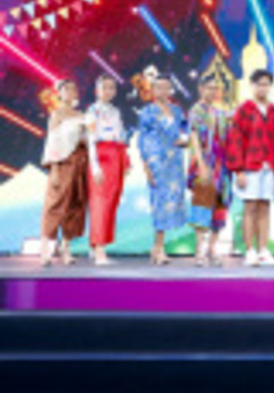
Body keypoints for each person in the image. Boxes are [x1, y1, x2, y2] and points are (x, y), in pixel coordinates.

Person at [226, 69, 274, 267]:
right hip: (250, 166)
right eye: (259, 84)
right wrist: (238, 170)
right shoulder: (244, 110)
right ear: (252, 85)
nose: (263, 88)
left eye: (266, 84)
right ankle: (249, 251)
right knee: (250, 207)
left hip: (270, 167)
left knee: (265, 207)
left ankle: (263, 250)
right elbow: (235, 140)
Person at [138, 75, 188, 265]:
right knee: (159, 202)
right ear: (153, 90)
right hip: (156, 160)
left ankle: (160, 247)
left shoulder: (176, 111)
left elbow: (184, 132)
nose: (163, 91)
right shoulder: (147, 112)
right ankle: (157, 247)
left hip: (174, 161)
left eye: (167, 87)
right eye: (159, 87)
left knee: (170, 202)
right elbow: (142, 139)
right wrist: (146, 166)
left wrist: (187, 141)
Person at [40, 79, 89, 267]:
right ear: (59, 94)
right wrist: (53, 168)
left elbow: (88, 140)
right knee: (55, 204)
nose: (70, 91)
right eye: (66, 89)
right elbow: (52, 143)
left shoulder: (82, 115)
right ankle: (46, 250)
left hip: (80, 164)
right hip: (61, 164)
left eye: (73, 88)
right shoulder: (56, 115)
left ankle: (66, 248)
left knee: (75, 205)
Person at [187, 75, 233, 267]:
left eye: (216, 88)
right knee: (202, 204)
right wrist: (201, 164)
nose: (213, 92)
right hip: (204, 164)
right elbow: (194, 138)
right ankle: (199, 250)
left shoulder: (218, 112)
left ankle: (212, 248)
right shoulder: (196, 111)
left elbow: (230, 127)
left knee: (220, 206)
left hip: (221, 167)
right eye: (209, 88)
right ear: (201, 89)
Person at [86, 75, 129, 266]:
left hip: (116, 155)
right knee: (100, 202)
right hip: (101, 155)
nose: (108, 91)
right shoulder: (92, 111)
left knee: (112, 201)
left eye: (112, 88)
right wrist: (94, 165)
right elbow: (90, 139)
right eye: (105, 87)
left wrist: (125, 160)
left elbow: (121, 136)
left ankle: (97, 245)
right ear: (97, 90)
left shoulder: (115, 111)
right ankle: (99, 251)